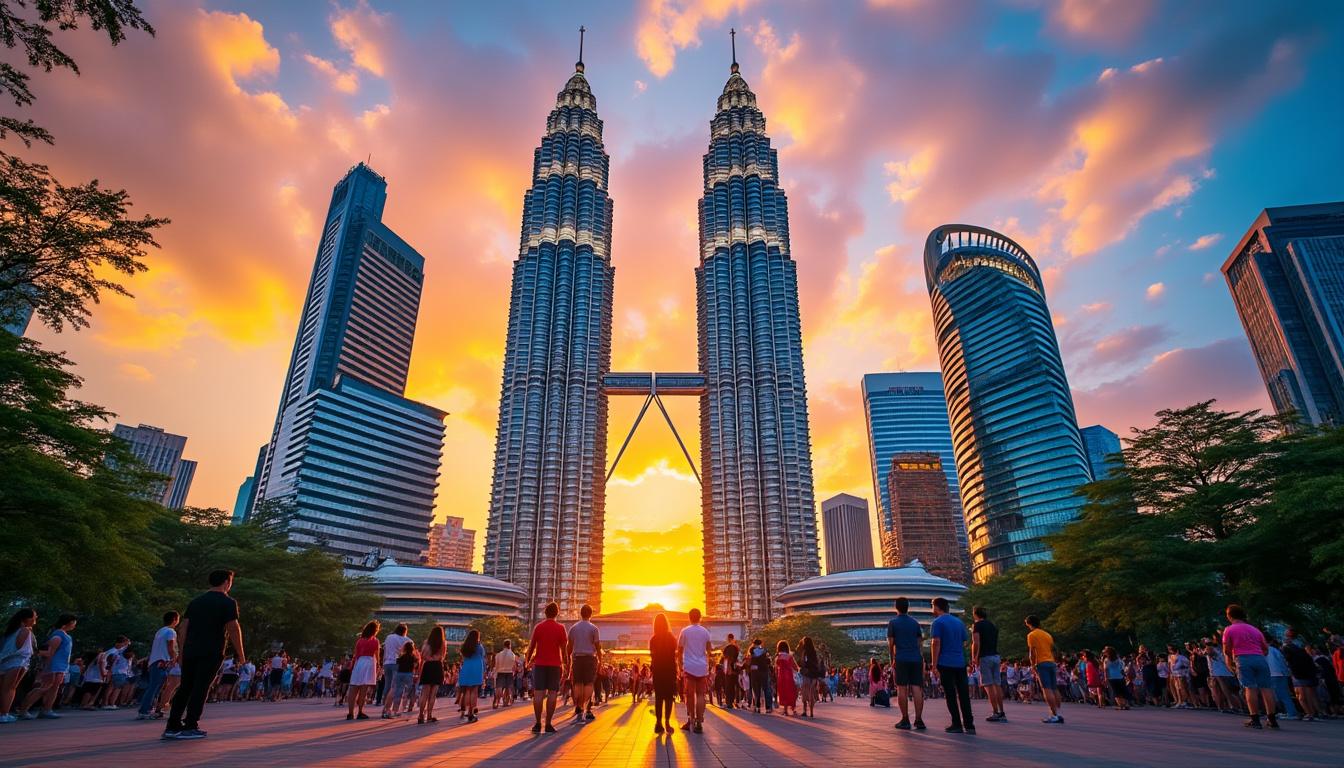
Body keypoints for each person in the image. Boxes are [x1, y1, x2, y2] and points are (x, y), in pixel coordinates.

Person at [163, 569, 243, 741]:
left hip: (191, 651)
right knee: (201, 687)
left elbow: (183, 628)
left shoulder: (196, 602)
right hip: (211, 651)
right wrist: (241, 655)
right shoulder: (228, 602)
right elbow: (233, 628)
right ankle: (191, 725)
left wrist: (182, 652)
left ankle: (172, 725)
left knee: (185, 687)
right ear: (226, 582)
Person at [1221, 604, 1278, 729]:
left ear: (1229, 616)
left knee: (1250, 688)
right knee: (1266, 688)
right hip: (1260, 659)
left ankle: (1255, 719)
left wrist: (1231, 661)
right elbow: (1265, 648)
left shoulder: (1229, 629)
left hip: (1243, 658)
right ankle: (1272, 719)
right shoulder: (1254, 629)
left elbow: (1226, 650)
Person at [15, 613, 76, 721]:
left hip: (60, 667)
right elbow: (49, 653)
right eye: (73, 623)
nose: (74, 625)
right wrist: (45, 667)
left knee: (53, 689)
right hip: (54, 667)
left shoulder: (64, 636)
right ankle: (23, 710)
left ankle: (46, 709)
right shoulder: (58, 636)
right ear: (68, 623)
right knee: (44, 688)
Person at [928, 597, 973, 734]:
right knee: (963, 694)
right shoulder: (959, 622)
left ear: (936, 607)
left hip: (945, 662)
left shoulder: (937, 622)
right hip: (960, 662)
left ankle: (956, 723)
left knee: (950, 694)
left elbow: (936, 643)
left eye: (932, 606)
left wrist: (934, 665)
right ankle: (969, 724)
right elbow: (964, 641)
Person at [526, 601, 568, 734]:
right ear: (557, 613)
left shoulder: (538, 627)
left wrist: (527, 661)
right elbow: (564, 649)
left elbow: (532, 646)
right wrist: (566, 664)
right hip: (555, 665)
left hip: (539, 664)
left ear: (545, 613)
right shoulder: (561, 628)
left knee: (538, 693)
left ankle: (538, 723)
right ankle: (548, 723)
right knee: (552, 694)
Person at [887, 596, 925, 731]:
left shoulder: (893, 623)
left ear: (896, 607)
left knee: (901, 688)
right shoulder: (915, 623)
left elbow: (891, 644)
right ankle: (919, 720)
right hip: (916, 658)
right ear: (908, 607)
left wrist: (892, 659)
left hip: (901, 658)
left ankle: (905, 719)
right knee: (917, 688)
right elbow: (919, 642)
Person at [137, 612, 179, 720]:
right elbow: (170, 647)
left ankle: (149, 709)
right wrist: (174, 658)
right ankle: (144, 711)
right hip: (162, 662)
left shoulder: (160, 631)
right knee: (154, 687)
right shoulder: (171, 631)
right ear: (175, 619)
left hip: (155, 661)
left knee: (155, 687)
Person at [677, 607, 713, 733]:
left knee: (689, 694)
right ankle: (699, 721)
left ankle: (691, 719)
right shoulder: (705, 632)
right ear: (700, 617)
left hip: (689, 667)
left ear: (689, 617)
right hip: (702, 667)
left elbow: (679, 650)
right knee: (701, 695)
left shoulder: (685, 631)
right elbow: (709, 650)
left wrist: (680, 666)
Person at [0, 608, 38, 723]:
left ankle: (3, 713)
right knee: (10, 688)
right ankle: (4, 714)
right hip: (18, 661)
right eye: (34, 616)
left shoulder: (10, 631)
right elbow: (20, 646)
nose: (36, 618)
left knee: (4, 688)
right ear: (27, 619)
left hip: (4, 661)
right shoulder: (25, 630)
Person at [1025, 615, 1063, 724]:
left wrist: (1033, 665)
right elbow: (1052, 649)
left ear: (1029, 623)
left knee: (1046, 689)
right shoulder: (1047, 634)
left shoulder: (1031, 635)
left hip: (1041, 663)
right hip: (1051, 662)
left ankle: (1054, 715)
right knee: (1054, 687)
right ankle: (1057, 712)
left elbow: (1032, 652)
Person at [970, 606, 1005, 722]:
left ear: (975, 614)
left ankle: (995, 712)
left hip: (985, 657)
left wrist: (974, 657)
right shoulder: (992, 625)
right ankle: (1001, 712)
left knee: (989, 685)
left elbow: (976, 642)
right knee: (997, 685)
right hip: (996, 656)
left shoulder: (977, 625)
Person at [568, 604, 601, 722]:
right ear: (591, 614)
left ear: (580, 613)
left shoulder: (573, 628)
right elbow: (597, 646)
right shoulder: (594, 629)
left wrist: (567, 660)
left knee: (578, 683)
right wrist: (600, 660)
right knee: (589, 684)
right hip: (590, 659)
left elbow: (569, 646)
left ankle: (579, 706)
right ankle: (587, 709)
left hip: (577, 659)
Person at [649, 612, 678, 734]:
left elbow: (652, 656)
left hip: (658, 671)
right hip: (670, 670)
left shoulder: (653, 639)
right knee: (669, 698)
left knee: (659, 698)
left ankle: (658, 723)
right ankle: (667, 722)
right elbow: (674, 655)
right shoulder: (672, 638)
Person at [346, 620, 380, 720]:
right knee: (363, 689)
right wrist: (378, 665)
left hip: (359, 662)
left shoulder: (360, 641)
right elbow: (377, 655)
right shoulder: (375, 641)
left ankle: (350, 713)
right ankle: (360, 712)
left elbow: (356, 654)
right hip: (369, 663)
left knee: (353, 688)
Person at [379, 623, 411, 717]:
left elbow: (385, 650)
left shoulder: (389, 637)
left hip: (387, 663)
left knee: (387, 685)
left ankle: (385, 707)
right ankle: (393, 709)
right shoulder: (407, 640)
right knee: (396, 687)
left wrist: (383, 663)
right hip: (398, 664)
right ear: (405, 631)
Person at [417, 626, 446, 724]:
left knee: (424, 693)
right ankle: (429, 715)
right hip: (437, 666)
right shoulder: (443, 643)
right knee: (433, 694)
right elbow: (442, 656)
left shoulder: (427, 642)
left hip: (428, 666)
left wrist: (429, 658)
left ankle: (420, 715)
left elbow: (422, 656)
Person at [457, 629, 485, 723]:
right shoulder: (479, 646)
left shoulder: (465, 646)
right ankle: (471, 713)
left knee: (467, 690)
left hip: (467, 667)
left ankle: (465, 710)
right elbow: (482, 657)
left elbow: (463, 657)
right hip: (477, 668)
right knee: (474, 691)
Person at [798, 636, 822, 718]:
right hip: (814, 674)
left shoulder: (805, 652)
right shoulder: (814, 652)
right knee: (812, 692)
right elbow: (817, 663)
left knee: (805, 692)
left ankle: (805, 711)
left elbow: (803, 662)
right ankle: (811, 712)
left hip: (807, 674)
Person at [775, 640, 798, 716]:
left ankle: (785, 710)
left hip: (781, 677)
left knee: (783, 692)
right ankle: (793, 708)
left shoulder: (778, 657)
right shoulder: (789, 657)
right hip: (789, 676)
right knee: (791, 692)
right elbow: (795, 667)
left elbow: (776, 668)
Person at [493, 640, 517, 709]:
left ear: (504, 645)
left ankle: (497, 702)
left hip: (500, 672)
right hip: (509, 672)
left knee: (499, 687)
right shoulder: (512, 655)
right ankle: (506, 702)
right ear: (510, 645)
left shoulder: (499, 654)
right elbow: (514, 666)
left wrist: (495, 673)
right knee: (508, 688)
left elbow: (496, 665)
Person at [721, 634, 741, 709]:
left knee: (728, 686)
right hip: (735, 669)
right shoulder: (736, 647)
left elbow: (727, 658)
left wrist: (728, 668)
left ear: (728, 638)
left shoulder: (728, 647)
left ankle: (729, 702)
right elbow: (737, 658)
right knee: (733, 686)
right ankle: (732, 701)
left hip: (729, 669)